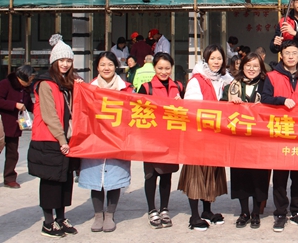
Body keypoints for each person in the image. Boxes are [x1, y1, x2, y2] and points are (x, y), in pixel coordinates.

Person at [28, 34, 80, 238]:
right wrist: (62, 140)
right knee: (51, 182)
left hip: (65, 139)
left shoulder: (67, 84)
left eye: (68, 60)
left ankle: (61, 218)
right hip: (49, 140)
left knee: (64, 180)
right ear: (54, 61)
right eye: (61, 60)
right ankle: (48, 223)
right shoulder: (46, 84)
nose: (65, 64)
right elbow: (50, 116)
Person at [261, 39, 298, 232]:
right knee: (280, 177)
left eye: (294, 53)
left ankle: (297, 212)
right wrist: (281, 100)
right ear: (281, 55)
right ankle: (280, 213)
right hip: (280, 133)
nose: (290, 56)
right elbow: (265, 98)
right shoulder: (272, 76)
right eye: (287, 53)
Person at [178, 44, 231, 231]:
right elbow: (191, 108)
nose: (216, 62)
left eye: (219, 58)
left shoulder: (225, 80)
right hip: (198, 136)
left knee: (211, 173)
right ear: (206, 60)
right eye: (212, 58)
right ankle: (194, 216)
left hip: (217, 136)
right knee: (196, 175)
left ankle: (207, 211)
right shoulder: (196, 81)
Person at [79, 52, 132, 233]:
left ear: (116, 66)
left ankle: (109, 214)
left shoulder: (126, 89)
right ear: (97, 67)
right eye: (102, 64)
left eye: (110, 64)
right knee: (96, 179)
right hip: (95, 141)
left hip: (118, 141)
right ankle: (97, 215)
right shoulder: (88, 89)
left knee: (114, 178)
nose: (106, 68)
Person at [223, 52, 270, 230]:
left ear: (261, 68)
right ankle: (244, 212)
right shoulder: (233, 85)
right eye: (248, 65)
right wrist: (230, 103)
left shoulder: (266, 84)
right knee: (240, 176)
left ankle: (256, 212)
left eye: (255, 66)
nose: (251, 69)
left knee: (259, 176)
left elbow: (273, 104)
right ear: (242, 66)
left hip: (260, 139)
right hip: (239, 139)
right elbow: (219, 107)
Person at [137, 53, 183, 229]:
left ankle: (164, 209)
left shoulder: (179, 86)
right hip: (151, 139)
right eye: (160, 68)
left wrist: (182, 103)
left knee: (166, 175)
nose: (164, 72)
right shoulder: (145, 88)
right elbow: (137, 112)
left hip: (171, 139)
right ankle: (152, 209)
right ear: (154, 68)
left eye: (167, 68)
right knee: (151, 175)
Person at [0, 64, 35, 188]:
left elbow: (29, 104)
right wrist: (14, 105)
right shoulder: (5, 84)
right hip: (2, 124)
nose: (30, 82)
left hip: (14, 126)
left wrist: (40, 110)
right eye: (30, 79)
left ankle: (9, 178)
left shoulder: (25, 88)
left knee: (13, 153)